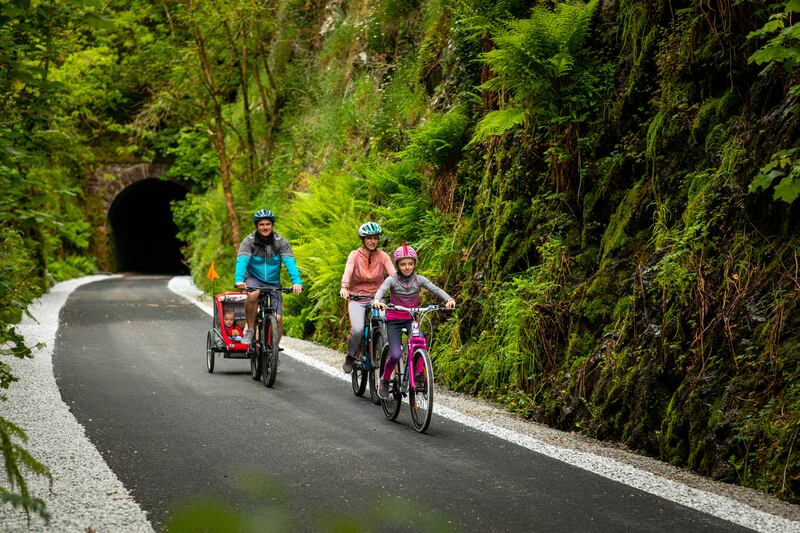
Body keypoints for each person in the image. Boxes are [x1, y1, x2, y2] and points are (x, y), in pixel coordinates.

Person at [372, 242, 455, 399]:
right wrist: (377, 300)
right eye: (403, 264)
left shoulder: (420, 280)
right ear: (397, 265)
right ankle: (384, 379)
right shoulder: (392, 280)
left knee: (420, 341)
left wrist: (449, 299)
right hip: (394, 320)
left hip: (411, 319)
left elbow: (435, 289)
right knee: (396, 354)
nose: (407, 267)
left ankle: (418, 375)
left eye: (410, 263)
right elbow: (381, 291)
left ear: (415, 263)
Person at [234, 209, 303, 347]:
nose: (265, 227)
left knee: (277, 318)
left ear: (272, 225)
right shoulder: (249, 241)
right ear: (256, 226)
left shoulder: (281, 242)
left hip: (273, 282)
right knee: (253, 295)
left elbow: (290, 262)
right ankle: (251, 330)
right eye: (261, 224)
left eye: (267, 224)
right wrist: (239, 279)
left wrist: (297, 282)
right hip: (254, 278)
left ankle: (274, 350)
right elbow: (242, 260)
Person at [339, 221, 396, 373]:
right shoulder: (354, 255)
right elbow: (348, 271)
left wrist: (402, 288)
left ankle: (379, 351)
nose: (373, 241)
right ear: (363, 239)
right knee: (357, 330)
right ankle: (350, 356)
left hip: (377, 299)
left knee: (384, 323)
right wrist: (344, 286)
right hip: (357, 298)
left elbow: (393, 275)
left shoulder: (383, 256)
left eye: (376, 238)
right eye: (369, 238)